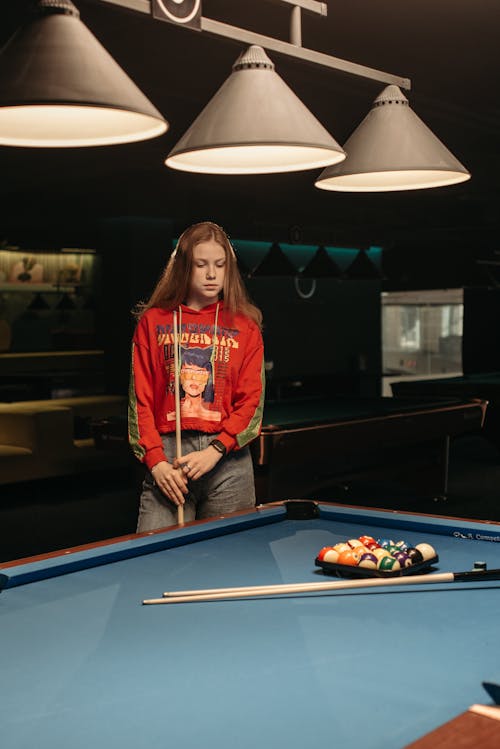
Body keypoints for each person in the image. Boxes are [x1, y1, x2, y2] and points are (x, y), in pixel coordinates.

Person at [129, 221, 265, 531]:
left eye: (220, 265)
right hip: (169, 457)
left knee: (231, 563)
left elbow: (252, 400)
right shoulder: (154, 321)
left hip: (227, 462)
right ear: (183, 268)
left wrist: (217, 448)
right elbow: (140, 399)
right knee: (156, 560)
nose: (212, 274)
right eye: (201, 265)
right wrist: (157, 462)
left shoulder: (245, 325)